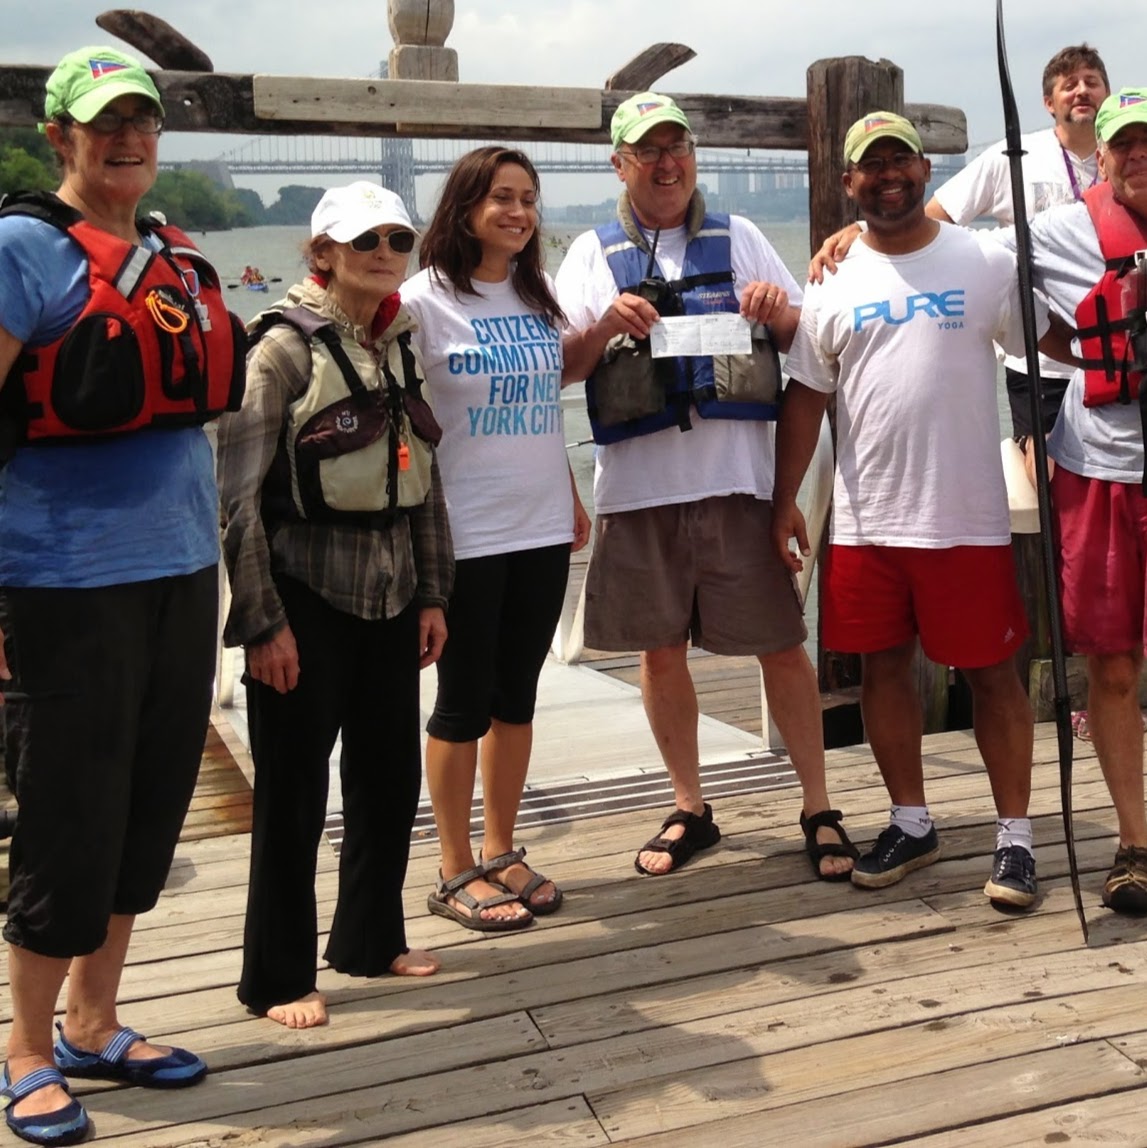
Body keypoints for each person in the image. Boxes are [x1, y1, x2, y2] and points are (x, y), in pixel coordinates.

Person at [0, 45, 238, 1145]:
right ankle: (25, 1050)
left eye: (142, 121)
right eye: (104, 124)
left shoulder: (171, 254)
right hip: (61, 579)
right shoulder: (20, 249)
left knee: (146, 804)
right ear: (60, 137)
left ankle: (97, 1018)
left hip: (182, 568)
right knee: (66, 813)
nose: (128, 139)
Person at [556, 92, 857, 881]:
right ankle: (689, 805)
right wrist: (601, 327)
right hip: (637, 491)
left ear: (694, 157)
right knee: (660, 654)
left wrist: (775, 306)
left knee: (781, 647)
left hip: (739, 486)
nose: (666, 164)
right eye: (647, 151)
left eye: (677, 148)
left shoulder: (744, 237)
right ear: (618, 164)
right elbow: (561, 366)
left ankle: (817, 804)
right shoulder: (589, 253)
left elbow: (806, 342)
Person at [773, 110, 1066, 909]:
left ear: (926, 172)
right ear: (848, 183)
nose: (888, 175)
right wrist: (783, 503)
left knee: (993, 676)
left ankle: (1014, 837)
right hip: (866, 521)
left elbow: (1051, 349)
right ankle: (911, 819)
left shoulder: (983, 258)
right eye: (871, 165)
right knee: (880, 672)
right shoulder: (831, 275)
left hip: (965, 516)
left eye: (901, 160)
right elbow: (805, 395)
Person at [217, 181, 451, 1027]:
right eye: (365, 243)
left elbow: (422, 484)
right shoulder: (278, 352)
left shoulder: (399, 345)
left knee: (388, 776)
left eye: (397, 239)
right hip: (304, 594)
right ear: (323, 254)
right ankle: (275, 977)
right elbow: (235, 499)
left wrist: (433, 593)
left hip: (391, 592)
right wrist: (261, 623)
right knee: (292, 792)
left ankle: (368, 939)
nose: (385, 254)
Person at [401, 146, 590, 931]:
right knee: (462, 703)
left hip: (541, 524)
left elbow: (542, 405)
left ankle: (501, 848)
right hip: (466, 531)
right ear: (466, 206)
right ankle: (452, 868)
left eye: (527, 199)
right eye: (501, 198)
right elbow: (403, 423)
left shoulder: (533, 293)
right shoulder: (422, 301)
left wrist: (572, 495)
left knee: (517, 696)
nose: (517, 212)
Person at [995, 89, 1147, 914]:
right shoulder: (1061, 232)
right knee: (1112, 663)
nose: (1137, 155)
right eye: (1124, 144)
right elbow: (978, 269)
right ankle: (1133, 843)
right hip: (1100, 471)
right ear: (1101, 157)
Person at [815, 46, 1109, 449]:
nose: (1081, 92)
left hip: (1119, 349)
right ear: (1047, 102)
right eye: (1069, 85)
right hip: (1041, 359)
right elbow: (935, 217)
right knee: (1050, 477)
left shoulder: (1129, 159)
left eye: (1092, 83)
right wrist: (866, 231)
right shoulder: (1012, 157)